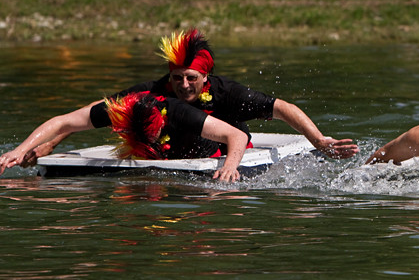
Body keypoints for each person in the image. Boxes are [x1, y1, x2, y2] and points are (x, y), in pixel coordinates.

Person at [12, 29, 358, 168]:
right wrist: (51, 143)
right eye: (177, 78)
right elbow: (89, 113)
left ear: (205, 78)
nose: (183, 85)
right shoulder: (152, 94)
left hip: (223, 140)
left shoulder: (227, 93)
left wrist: (319, 140)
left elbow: (282, 108)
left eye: (191, 79)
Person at [0, 92, 249, 182]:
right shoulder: (117, 112)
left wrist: (229, 166)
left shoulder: (180, 113)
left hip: (205, 145)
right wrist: (20, 149)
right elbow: (62, 121)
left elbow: (235, 135)